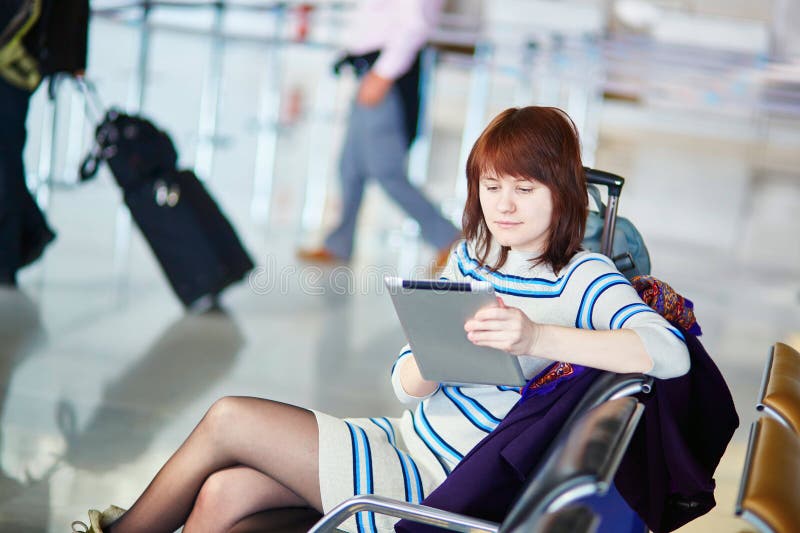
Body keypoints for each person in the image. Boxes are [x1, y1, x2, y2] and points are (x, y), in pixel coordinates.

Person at [71, 106, 690, 533]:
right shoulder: (475, 257)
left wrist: (536, 336)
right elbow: (402, 383)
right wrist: (430, 356)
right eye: (492, 186)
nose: (503, 205)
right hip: (403, 440)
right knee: (223, 493)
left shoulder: (583, 276)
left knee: (230, 418)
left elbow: (670, 353)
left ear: (562, 193)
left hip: (440, 482)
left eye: (524, 190)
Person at [297, 0, 460, 266]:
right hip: (369, 72)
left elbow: (415, 26)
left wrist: (383, 75)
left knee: (386, 171)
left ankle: (448, 239)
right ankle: (339, 244)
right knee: (350, 167)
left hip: (387, 78)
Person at [0, 0, 90, 286]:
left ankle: (9, 255)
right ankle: (29, 231)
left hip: (15, 61)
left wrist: (74, 58)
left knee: (6, 160)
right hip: (19, 53)